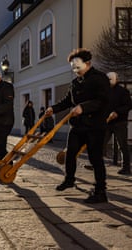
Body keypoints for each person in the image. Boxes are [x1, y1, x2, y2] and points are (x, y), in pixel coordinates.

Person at [46, 48, 110, 203]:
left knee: (95, 159)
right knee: (70, 154)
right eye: (72, 67)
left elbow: (103, 100)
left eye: (77, 66)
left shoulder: (100, 78)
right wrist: (53, 109)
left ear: (87, 63)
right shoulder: (75, 82)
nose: (74, 69)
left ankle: (101, 191)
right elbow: (68, 101)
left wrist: (84, 107)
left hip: (95, 126)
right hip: (78, 127)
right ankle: (69, 180)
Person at [104, 72, 132, 175]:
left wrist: (117, 112)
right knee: (101, 143)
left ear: (116, 79)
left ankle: (126, 168)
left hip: (120, 122)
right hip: (107, 122)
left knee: (122, 145)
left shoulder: (123, 91)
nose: (109, 82)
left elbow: (128, 105)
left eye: (111, 79)